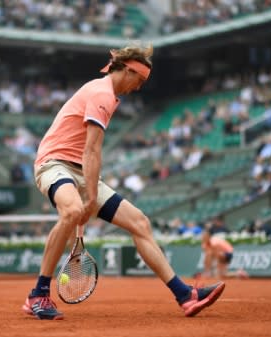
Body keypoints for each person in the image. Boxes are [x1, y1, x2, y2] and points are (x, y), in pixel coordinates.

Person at [21, 44, 225, 320]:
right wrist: (90, 199)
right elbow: (92, 150)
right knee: (70, 211)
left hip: (80, 169)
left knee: (140, 222)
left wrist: (89, 195)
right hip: (54, 164)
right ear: (127, 70)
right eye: (139, 80)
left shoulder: (106, 94)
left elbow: (89, 155)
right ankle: (39, 294)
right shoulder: (101, 94)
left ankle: (184, 295)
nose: (139, 87)